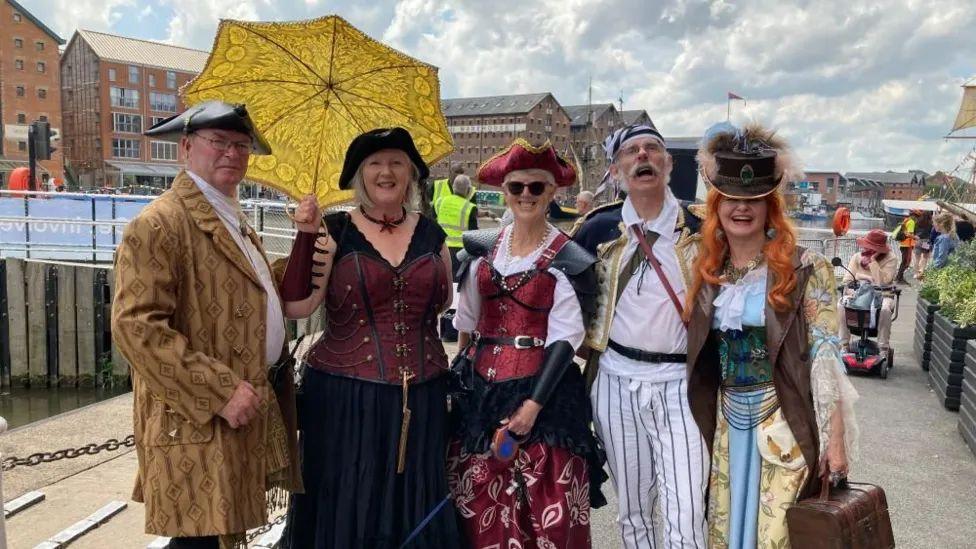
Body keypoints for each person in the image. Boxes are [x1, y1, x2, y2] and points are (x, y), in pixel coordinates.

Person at [112, 101, 302, 548]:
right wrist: (219, 391)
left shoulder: (230, 217)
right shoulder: (159, 223)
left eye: (241, 145)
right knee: (199, 540)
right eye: (218, 142)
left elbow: (250, 292)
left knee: (217, 538)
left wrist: (308, 240)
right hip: (201, 417)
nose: (232, 153)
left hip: (243, 406)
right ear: (186, 148)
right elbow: (136, 327)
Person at [279, 127, 460, 548]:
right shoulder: (333, 232)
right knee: (348, 498)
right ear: (359, 176)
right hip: (346, 400)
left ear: (411, 174)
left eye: (397, 162)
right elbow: (297, 306)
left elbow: (444, 301)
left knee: (417, 499)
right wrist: (305, 235)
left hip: (424, 397)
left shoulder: (433, 235)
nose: (386, 171)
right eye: (375, 163)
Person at [685, 122, 858, 548]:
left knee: (776, 536)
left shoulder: (805, 267)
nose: (741, 209)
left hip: (783, 420)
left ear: (770, 207)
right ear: (716, 204)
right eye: (730, 199)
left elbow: (825, 358)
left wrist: (835, 442)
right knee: (725, 533)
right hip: (726, 423)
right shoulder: (708, 270)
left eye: (754, 200)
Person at [448, 139, 607, 548]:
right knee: (477, 504)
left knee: (545, 514)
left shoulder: (568, 258)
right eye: (516, 187)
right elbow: (466, 321)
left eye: (536, 187)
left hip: (543, 394)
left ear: (553, 192)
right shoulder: (482, 249)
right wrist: (461, 378)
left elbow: (566, 336)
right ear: (504, 191)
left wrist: (532, 407)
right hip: (482, 393)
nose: (525, 196)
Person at [574, 123, 708, 548]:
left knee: (685, 510)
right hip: (615, 377)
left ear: (668, 164)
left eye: (653, 149)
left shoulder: (702, 229)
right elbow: (563, 294)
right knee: (632, 512)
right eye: (632, 151)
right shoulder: (597, 229)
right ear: (617, 170)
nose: (643, 156)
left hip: (679, 384)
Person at [838, 229, 898, 353]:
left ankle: (883, 348)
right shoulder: (857, 257)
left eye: (871, 247)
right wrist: (862, 278)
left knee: (885, 309)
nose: (866, 248)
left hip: (882, 295)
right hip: (858, 293)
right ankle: (844, 344)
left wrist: (873, 261)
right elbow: (847, 280)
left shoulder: (891, 259)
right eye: (867, 245)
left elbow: (883, 282)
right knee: (841, 304)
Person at [434, 173, 479, 274]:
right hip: (460, 252)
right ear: (468, 190)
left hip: (441, 249)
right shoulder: (470, 207)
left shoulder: (440, 202)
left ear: (453, 187)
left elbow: (434, 220)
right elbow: (474, 235)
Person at [894, 210, 918, 284]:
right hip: (907, 245)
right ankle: (899, 278)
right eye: (917, 217)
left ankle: (899, 277)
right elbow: (908, 234)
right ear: (914, 216)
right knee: (906, 262)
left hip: (903, 244)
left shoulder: (906, 220)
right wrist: (915, 237)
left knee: (904, 262)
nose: (917, 219)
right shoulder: (911, 222)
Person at [912, 211, 934, 279]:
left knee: (916, 258)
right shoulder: (931, 223)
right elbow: (932, 233)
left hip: (918, 241)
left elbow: (914, 232)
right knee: (925, 257)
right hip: (926, 242)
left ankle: (915, 274)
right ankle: (921, 272)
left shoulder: (917, 222)